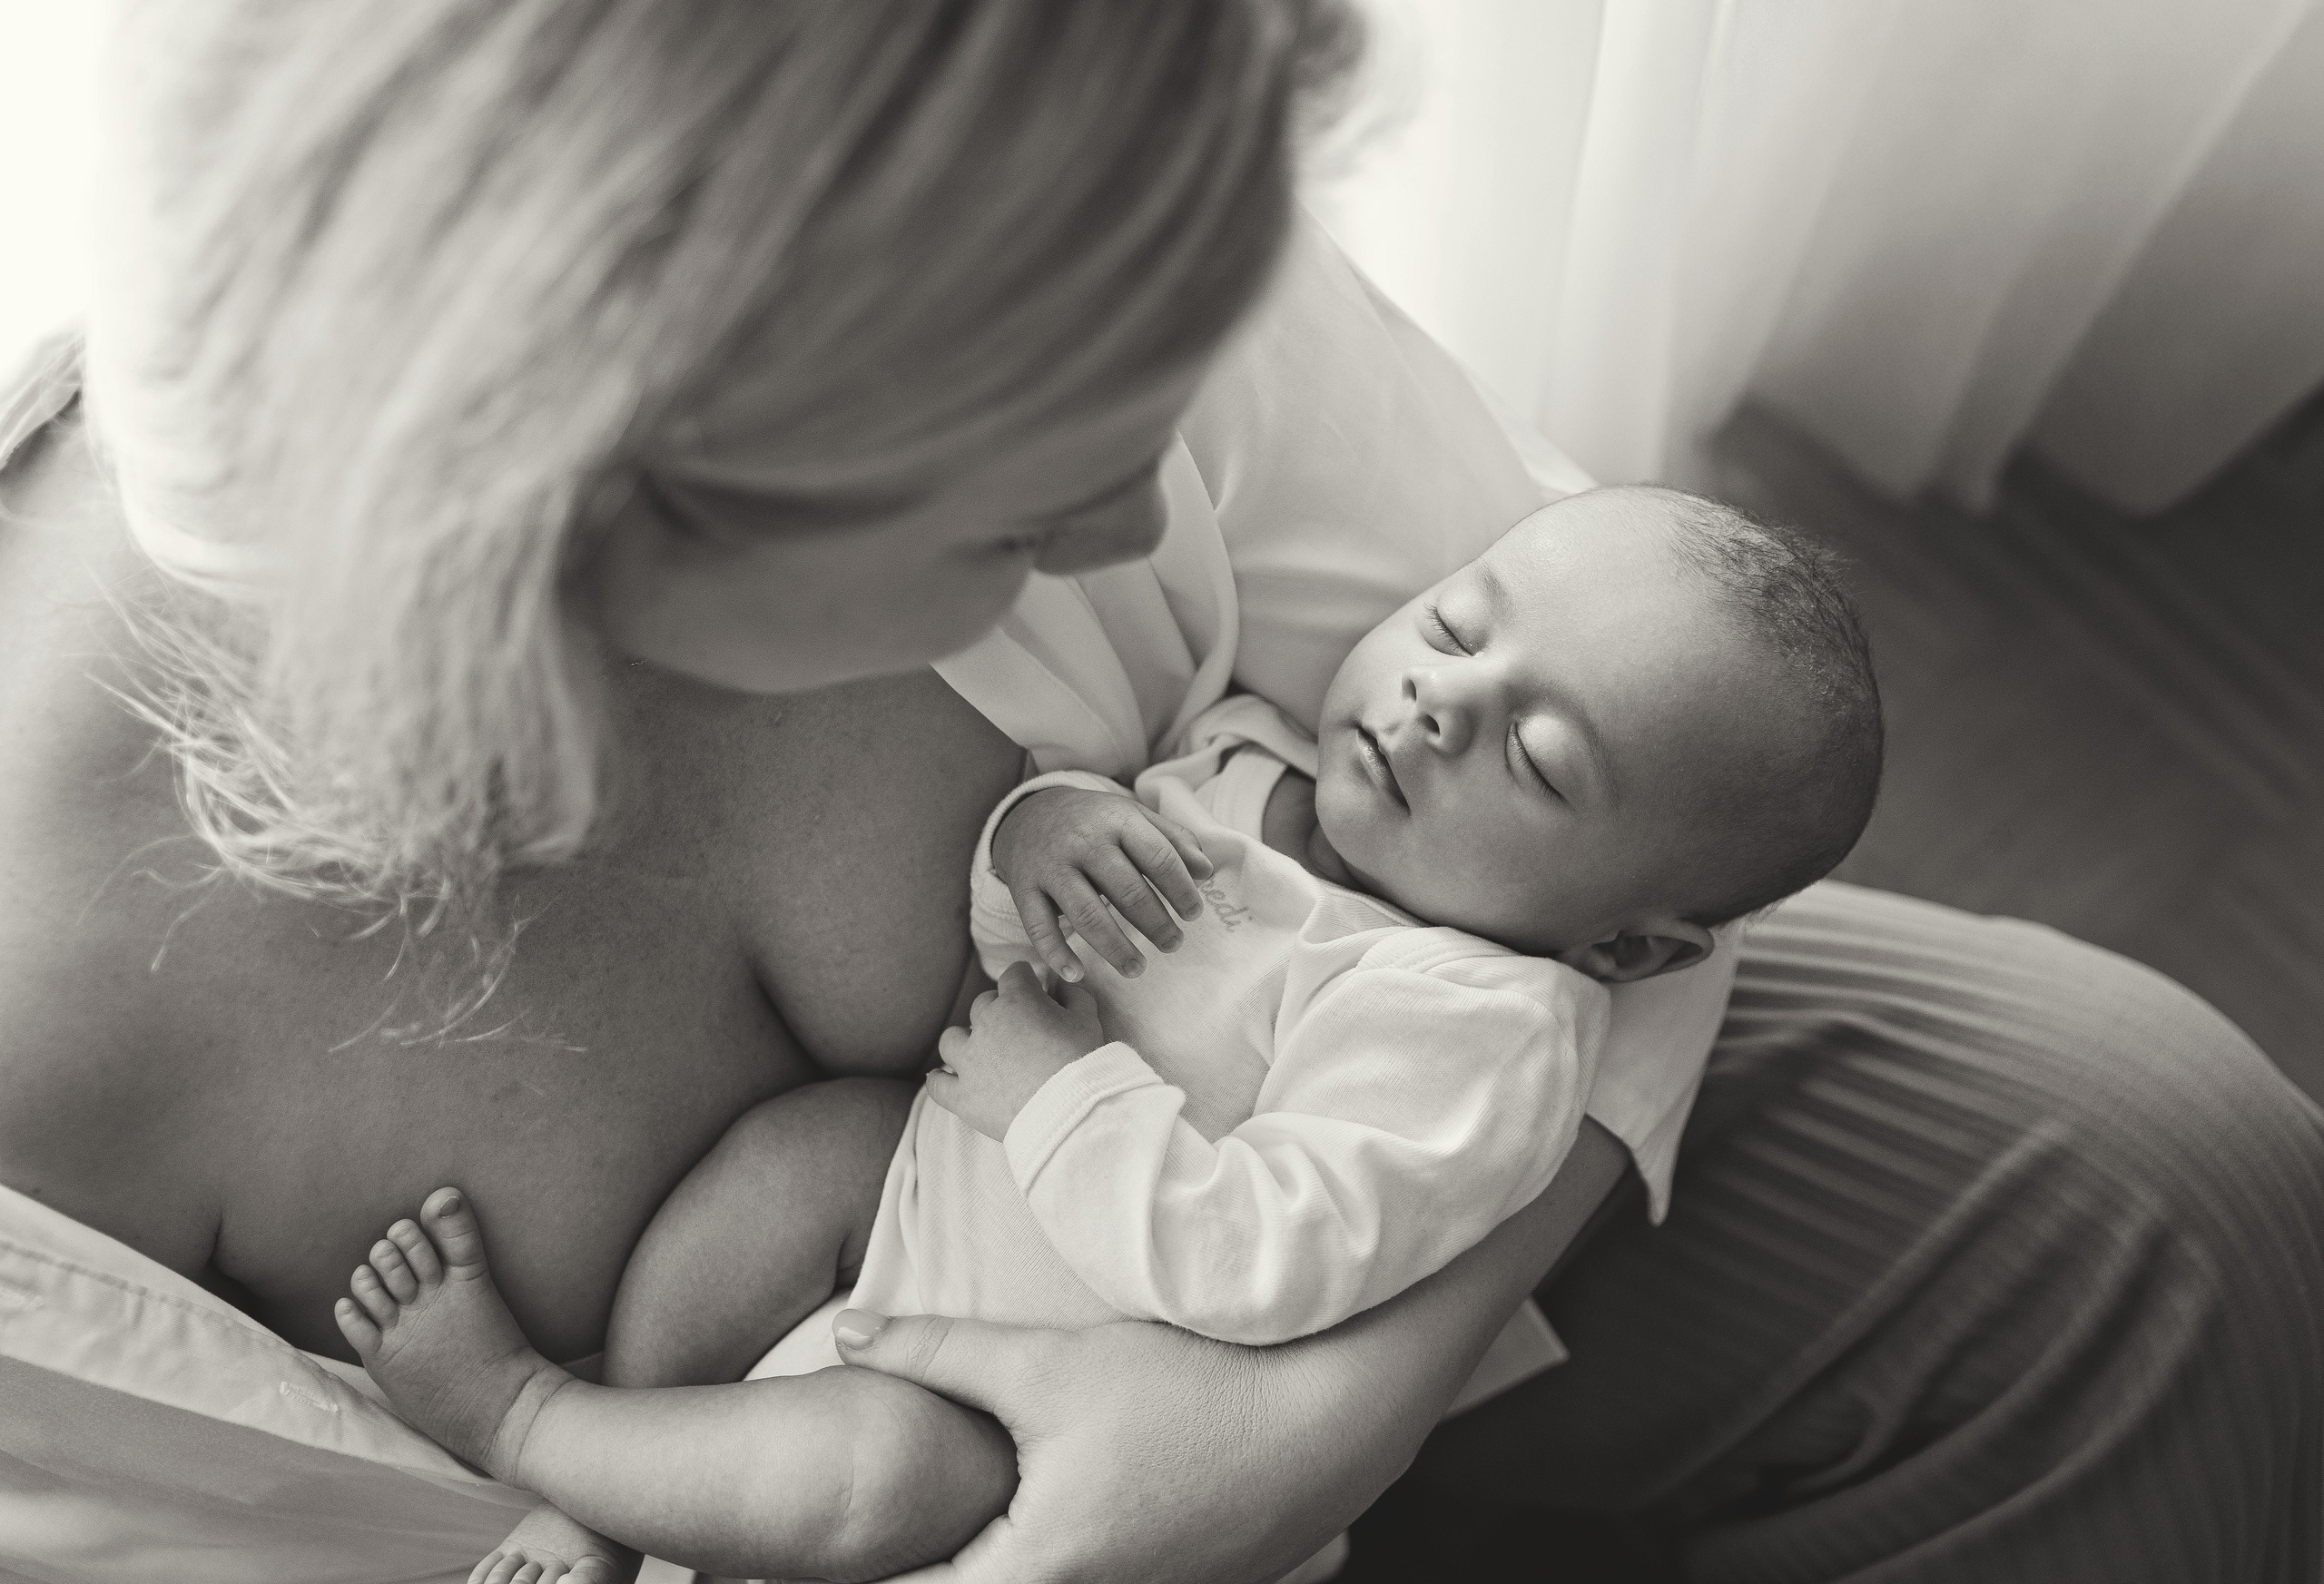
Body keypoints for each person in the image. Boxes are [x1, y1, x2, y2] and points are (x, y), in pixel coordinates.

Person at [1, 8, 2318, 1584]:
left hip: (1329, 1182)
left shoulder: (1034, 142)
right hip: (797, 1489)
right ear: (626, 481)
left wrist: (1305, 1428)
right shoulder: (54, 1089)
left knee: (2152, 1185)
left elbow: (1642, 731)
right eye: (1032, 503)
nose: (1138, 522)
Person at [326, 487, 1881, 1580]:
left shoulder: (1484, 1033)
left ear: (1628, 946)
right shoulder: (1247, 762)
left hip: (1028, 1409)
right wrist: (1040, 835)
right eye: (1455, 624)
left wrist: (1059, 1095)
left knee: (878, 1476)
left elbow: (1265, 1258)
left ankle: (527, 1415)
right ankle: (623, 1473)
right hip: (922, 1190)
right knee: (787, 1164)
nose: (1436, 703)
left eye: (1534, 758)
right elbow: (1021, 961)